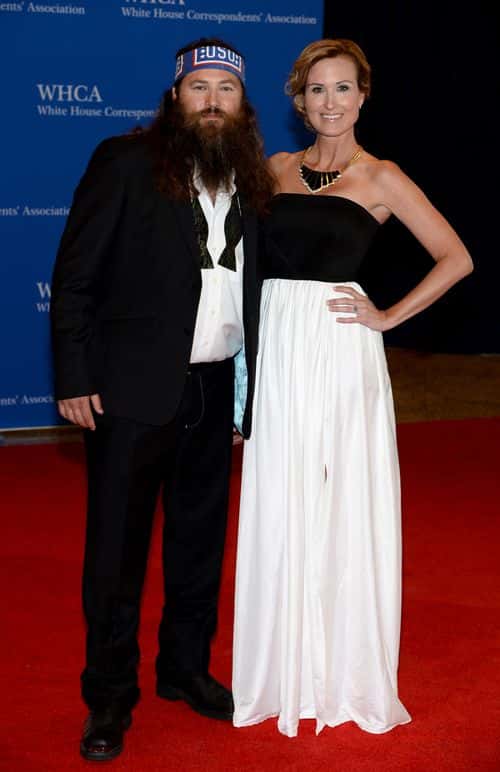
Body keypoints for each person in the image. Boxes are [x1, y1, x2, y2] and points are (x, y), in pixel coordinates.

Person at [232, 38, 473, 738]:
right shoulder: (273, 168)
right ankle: (280, 668)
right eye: (315, 90)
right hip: (277, 343)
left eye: (342, 89)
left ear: (363, 96)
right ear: (298, 99)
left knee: (342, 496)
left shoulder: (382, 177)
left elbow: (456, 257)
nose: (328, 102)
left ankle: (343, 670)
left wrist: (388, 315)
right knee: (280, 494)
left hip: (341, 348)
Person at [50, 37, 274, 761]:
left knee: (198, 546)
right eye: (199, 87)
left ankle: (184, 671)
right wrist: (75, 376)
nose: (212, 101)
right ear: (175, 97)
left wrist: (248, 395)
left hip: (215, 390)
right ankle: (109, 701)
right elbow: (75, 275)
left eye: (226, 90)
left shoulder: (253, 181)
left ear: (243, 106)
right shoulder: (125, 163)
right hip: (130, 393)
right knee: (116, 554)